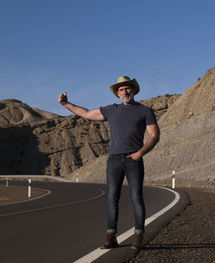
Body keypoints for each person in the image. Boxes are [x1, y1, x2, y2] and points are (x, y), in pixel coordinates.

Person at [57, 76, 160, 250]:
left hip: (134, 160)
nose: (125, 91)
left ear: (133, 90)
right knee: (112, 198)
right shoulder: (111, 110)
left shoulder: (145, 111)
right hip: (114, 160)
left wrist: (140, 153)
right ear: (117, 93)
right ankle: (111, 236)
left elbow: (154, 135)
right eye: (121, 89)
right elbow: (87, 113)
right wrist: (66, 104)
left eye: (127, 88)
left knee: (136, 198)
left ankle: (139, 236)